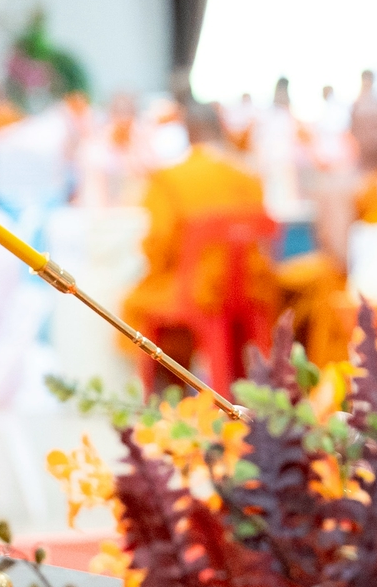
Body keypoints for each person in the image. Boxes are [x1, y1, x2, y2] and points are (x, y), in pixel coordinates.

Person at [119, 102, 281, 383]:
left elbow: (157, 245)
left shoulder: (169, 179)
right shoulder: (247, 176)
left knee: (138, 302)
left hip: (197, 292)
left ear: (188, 131)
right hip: (248, 290)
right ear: (220, 129)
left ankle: (164, 388)